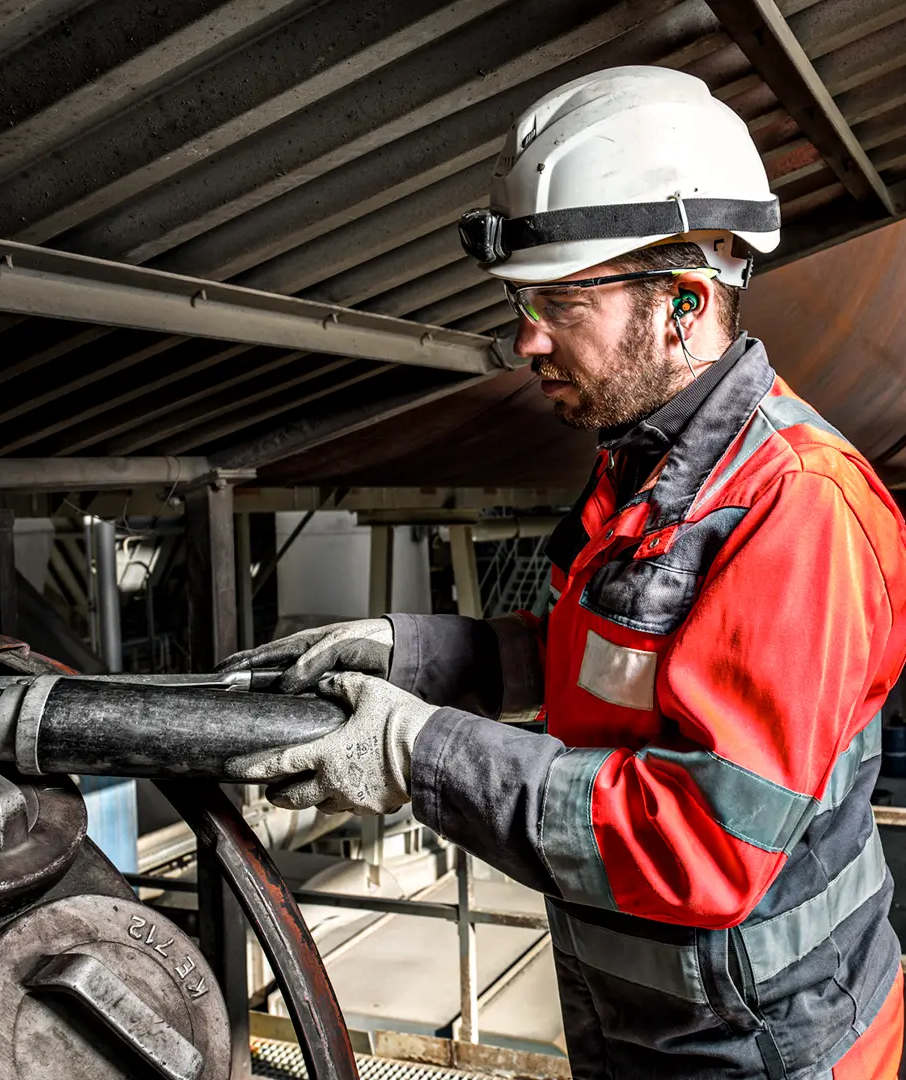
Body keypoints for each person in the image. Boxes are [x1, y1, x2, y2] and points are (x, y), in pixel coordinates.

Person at [222, 66, 906, 1078]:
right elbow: (600, 664)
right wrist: (410, 655)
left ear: (679, 303)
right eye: (520, 303)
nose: (524, 341)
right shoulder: (650, 468)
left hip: (774, 1056)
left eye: (557, 306)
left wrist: (421, 754)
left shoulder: (795, 507)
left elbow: (705, 844)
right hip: (639, 1029)